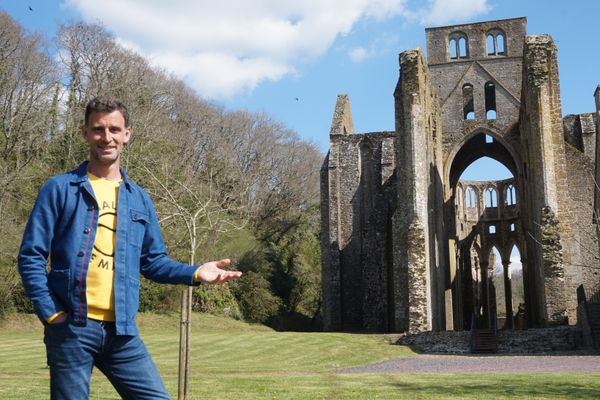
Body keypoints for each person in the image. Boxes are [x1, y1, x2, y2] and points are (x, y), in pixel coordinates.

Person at [18, 96, 242, 399]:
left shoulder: (140, 199)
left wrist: (195, 273)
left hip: (122, 331)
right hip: (71, 327)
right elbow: (31, 256)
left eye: (114, 129)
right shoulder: (59, 188)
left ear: (127, 134)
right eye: (98, 129)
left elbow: (153, 262)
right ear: (85, 133)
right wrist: (51, 313)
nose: (106, 137)